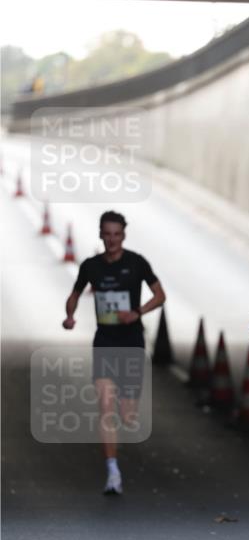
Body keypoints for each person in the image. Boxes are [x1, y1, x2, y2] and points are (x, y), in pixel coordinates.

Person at [62, 211, 166, 493]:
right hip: (105, 341)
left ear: (123, 235)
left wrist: (137, 312)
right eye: (106, 234)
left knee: (127, 415)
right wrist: (70, 316)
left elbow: (160, 295)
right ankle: (113, 472)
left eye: (116, 234)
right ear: (100, 234)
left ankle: (126, 407)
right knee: (106, 409)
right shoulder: (91, 266)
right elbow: (73, 295)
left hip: (132, 341)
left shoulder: (136, 263)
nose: (111, 240)